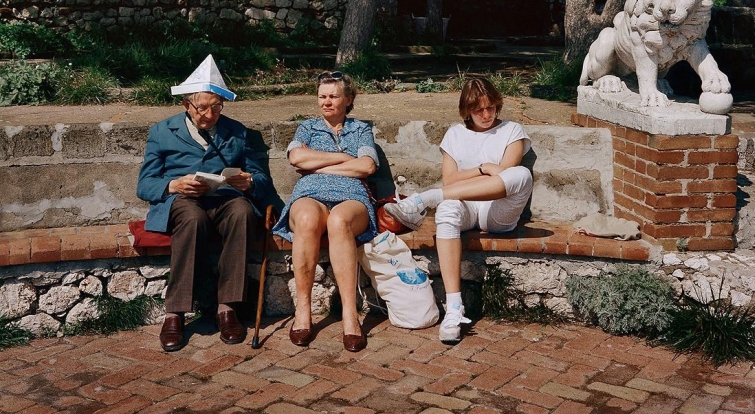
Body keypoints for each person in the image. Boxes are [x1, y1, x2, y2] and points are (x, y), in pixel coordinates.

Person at [137, 55, 279, 352]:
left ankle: (227, 308)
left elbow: (263, 179)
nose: (210, 115)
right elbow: (145, 184)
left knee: (242, 213)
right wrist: (173, 184)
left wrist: (249, 181)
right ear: (186, 104)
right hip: (184, 199)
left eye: (216, 107)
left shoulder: (238, 132)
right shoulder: (162, 131)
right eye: (202, 107)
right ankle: (175, 313)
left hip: (225, 197)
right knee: (192, 220)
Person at [385, 77, 533, 344]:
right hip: (466, 208)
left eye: (491, 108)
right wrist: (482, 168)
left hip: (498, 212)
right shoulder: (455, 134)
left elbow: (505, 178)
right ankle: (454, 308)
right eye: (479, 110)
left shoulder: (513, 130)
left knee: (522, 175)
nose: (487, 115)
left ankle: (426, 199)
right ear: (467, 110)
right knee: (446, 211)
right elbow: (451, 180)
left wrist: (485, 172)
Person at [272, 71, 378, 352]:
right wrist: (345, 159)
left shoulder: (361, 129)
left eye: (333, 96)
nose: (326, 102)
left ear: (348, 99)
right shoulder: (306, 128)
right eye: (322, 96)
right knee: (306, 218)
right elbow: (295, 157)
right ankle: (303, 311)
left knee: (340, 220)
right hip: (310, 194)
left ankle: (349, 315)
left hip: (351, 196)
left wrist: (316, 164)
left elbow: (367, 166)